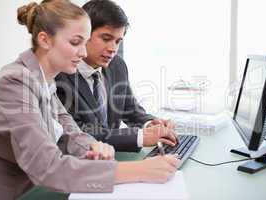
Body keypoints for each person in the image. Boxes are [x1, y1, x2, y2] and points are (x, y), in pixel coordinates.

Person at [0, 0, 180, 199]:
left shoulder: (44, 81)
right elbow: (48, 168)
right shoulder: (12, 84)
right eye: (75, 42)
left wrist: (92, 148)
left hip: (32, 190)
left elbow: (70, 132)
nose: (83, 52)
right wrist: (139, 170)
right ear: (45, 39)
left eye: (84, 42)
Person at [56, 0, 178, 152]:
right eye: (106, 39)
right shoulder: (60, 75)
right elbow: (80, 135)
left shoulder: (117, 65)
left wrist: (150, 124)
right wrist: (140, 137)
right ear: (83, 34)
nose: (113, 49)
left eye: (118, 41)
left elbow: (130, 110)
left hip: (111, 157)